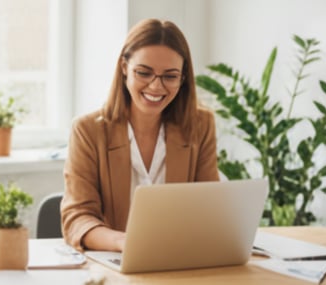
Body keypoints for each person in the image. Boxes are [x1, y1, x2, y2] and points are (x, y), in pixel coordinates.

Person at [61, 18, 219, 253]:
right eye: (144, 73)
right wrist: (123, 242)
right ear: (124, 68)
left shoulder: (200, 125)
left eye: (170, 76)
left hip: (180, 261)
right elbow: (78, 218)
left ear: (183, 78)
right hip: (116, 265)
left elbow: (210, 207)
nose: (156, 87)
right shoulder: (88, 131)